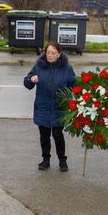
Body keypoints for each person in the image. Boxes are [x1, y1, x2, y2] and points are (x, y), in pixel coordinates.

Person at [24, 42, 76, 171]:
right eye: (48, 52)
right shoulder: (39, 67)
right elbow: (27, 82)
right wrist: (31, 80)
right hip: (43, 107)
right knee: (44, 135)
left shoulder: (67, 68)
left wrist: (81, 91)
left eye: (53, 53)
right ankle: (45, 160)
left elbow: (74, 84)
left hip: (59, 107)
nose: (50, 55)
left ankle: (62, 161)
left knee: (58, 135)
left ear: (59, 54)